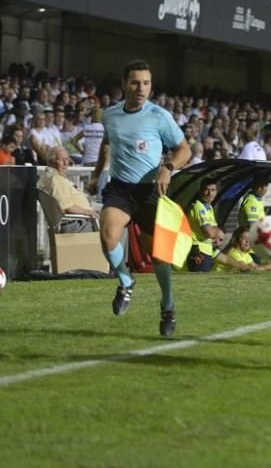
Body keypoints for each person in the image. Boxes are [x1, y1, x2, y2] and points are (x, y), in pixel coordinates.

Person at [88, 60, 191, 337]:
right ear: (124, 84)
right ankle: (125, 280)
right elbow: (107, 143)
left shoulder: (159, 116)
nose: (141, 88)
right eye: (135, 82)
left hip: (150, 192)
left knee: (159, 257)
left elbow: (184, 150)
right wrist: (96, 174)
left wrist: (168, 167)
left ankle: (167, 305)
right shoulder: (109, 115)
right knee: (108, 235)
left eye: (146, 83)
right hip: (120, 188)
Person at [38, 146, 98, 232]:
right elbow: (67, 207)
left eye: (67, 159)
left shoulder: (51, 176)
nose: (66, 163)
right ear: (52, 162)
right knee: (115, 227)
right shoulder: (56, 180)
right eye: (61, 159)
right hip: (78, 224)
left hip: (78, 222)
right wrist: (88, 212)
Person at [186, 178, 225, 272]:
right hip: (198, 250)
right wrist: (217, 233)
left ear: (216, 192)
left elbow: (214, 230)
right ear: (200, 191)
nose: (210, 193)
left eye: (213, 190)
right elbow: (209, 233)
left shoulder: (209, 207)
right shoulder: (198, 206)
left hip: (207, 250)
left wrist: (217, 237)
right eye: (207, 189)